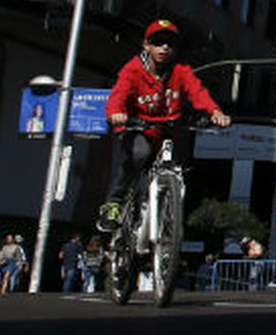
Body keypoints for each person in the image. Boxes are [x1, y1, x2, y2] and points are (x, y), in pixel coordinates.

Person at [97, 20, 231, 232]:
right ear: (146, 45)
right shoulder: (133, 70)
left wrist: (215, 112)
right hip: (138, 129)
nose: (164, 48)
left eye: (170, 44)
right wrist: (115, 113)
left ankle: (166, 214)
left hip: (169, 132)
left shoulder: (181, 71)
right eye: (158, 43)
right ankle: (114, 203)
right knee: (139, 154)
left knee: (180, 167)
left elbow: (197, 92)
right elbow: (118, 94)